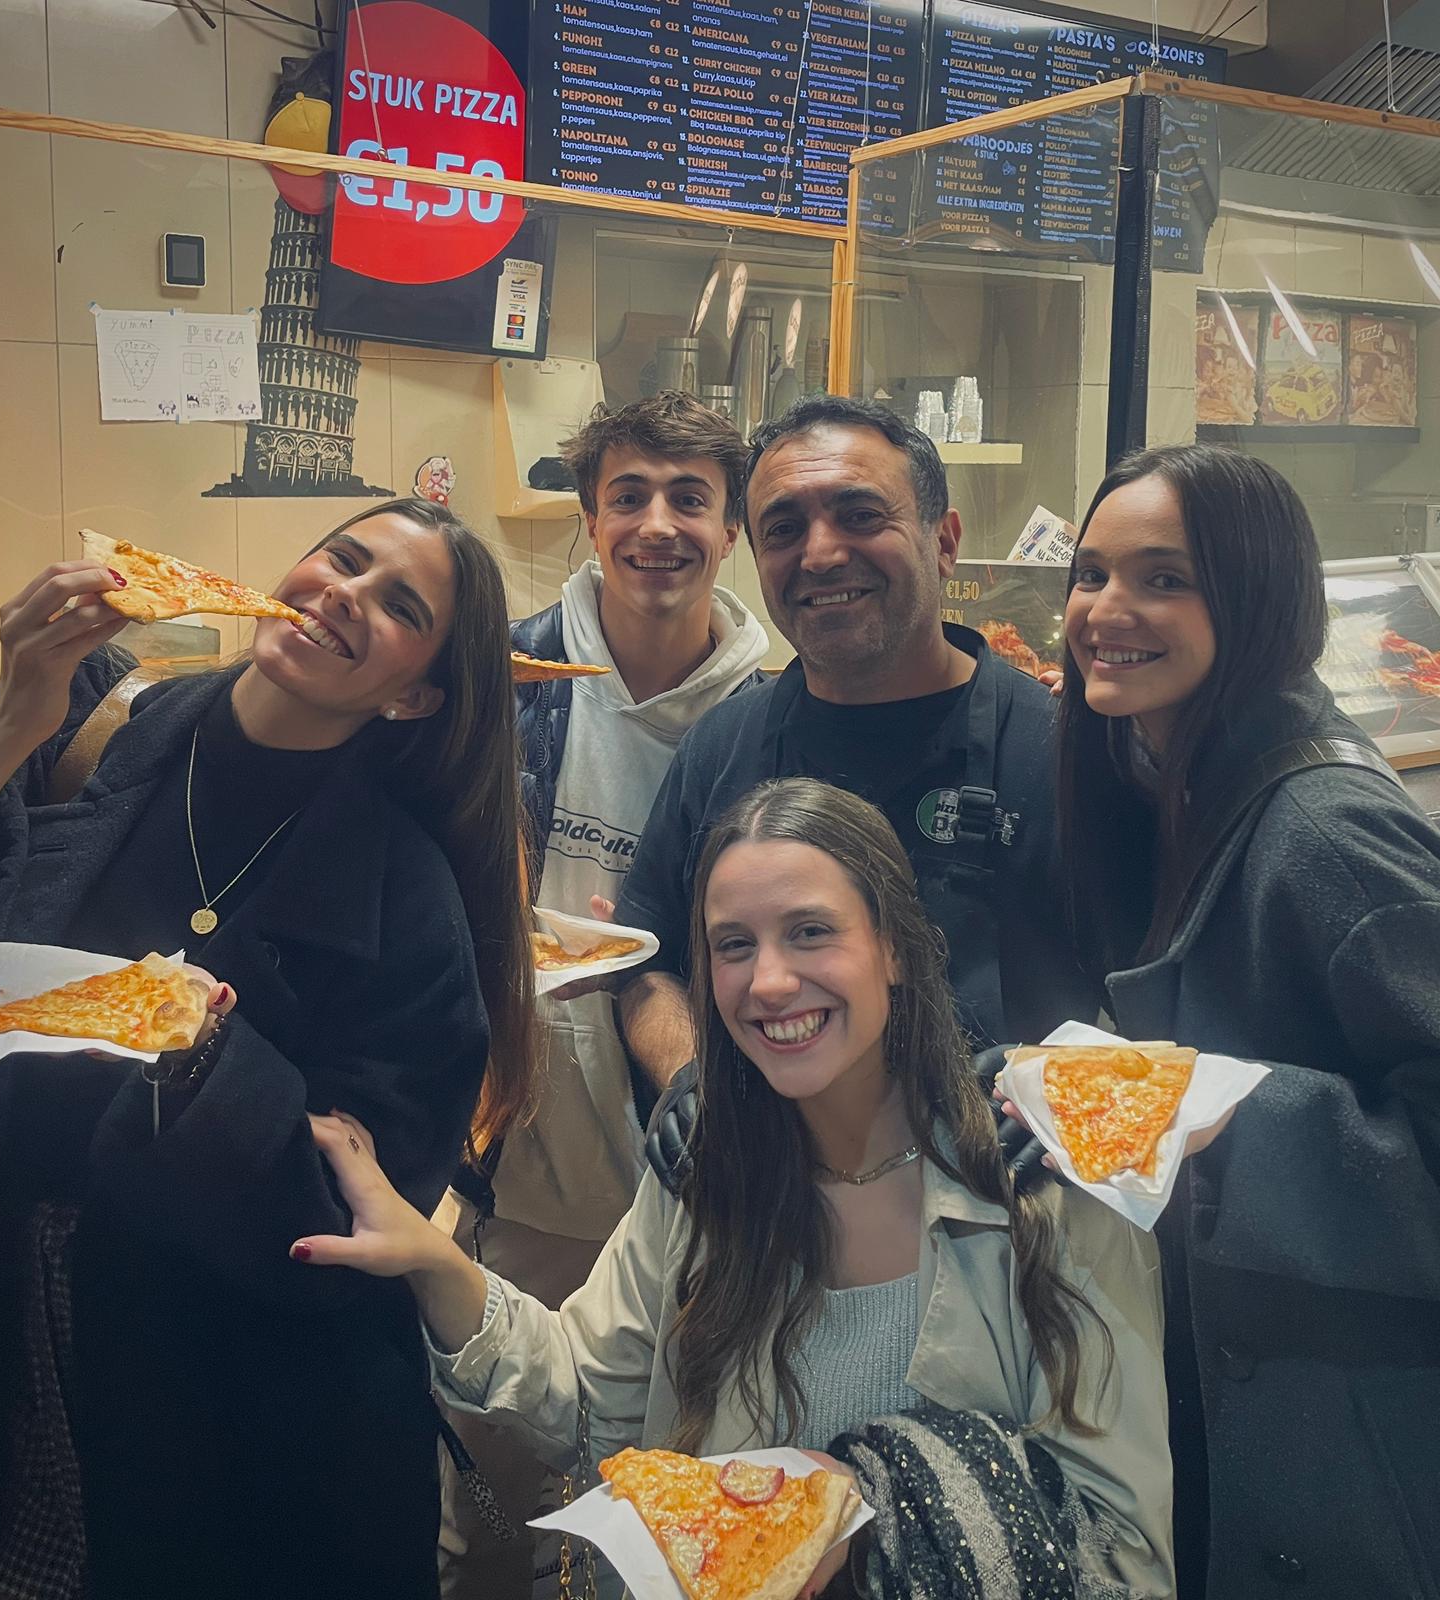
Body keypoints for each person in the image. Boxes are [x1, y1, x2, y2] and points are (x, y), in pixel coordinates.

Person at [294, 778, 1175, 1599]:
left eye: (811, 932)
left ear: (897, 949)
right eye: (733, 947)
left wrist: (870, 1504)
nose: (770, 982)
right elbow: (586, 1400)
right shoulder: (704, 1175)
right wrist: (428, 1257)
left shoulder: (1049, 1187)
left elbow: (1124, 1550)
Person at [0, 498, 534, 1600]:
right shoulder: (87, 731)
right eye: (342, 560)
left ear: (414, 693)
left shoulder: (409, 905)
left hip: (225, 1422)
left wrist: (200, 1048)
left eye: (398, 605)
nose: (346, 592)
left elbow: (348, 1225)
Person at [1041, 443, 1440, 1599]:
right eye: (1090, 571)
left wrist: (1218, 1115)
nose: (1107, 610)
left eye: (1164, 578)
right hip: (1273, 1415)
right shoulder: (1160, 774)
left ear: (1256, 598)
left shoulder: (1326, 839)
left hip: (1392, 1461)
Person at [436, 391, 768, 1597]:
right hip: (525, 1136)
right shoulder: (508, 671)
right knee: (500, 1477)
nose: (657, 524)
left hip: (704, 1154)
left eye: (690, 498)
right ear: (589, 517)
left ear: (729, 528)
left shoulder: (770, 710)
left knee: (668, 1481)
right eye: (629, 495)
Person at [612, 395, 1099, 1124]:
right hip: (766, 1200)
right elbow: (648, 966)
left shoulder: (1060, 755)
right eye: (784, 528)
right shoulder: (722, 745)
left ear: (943, 540)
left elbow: (1157, 1004)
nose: (821, 553)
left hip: (1006, 1208)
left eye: (861, 515)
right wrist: (690, 1081)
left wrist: (1065, 1089)